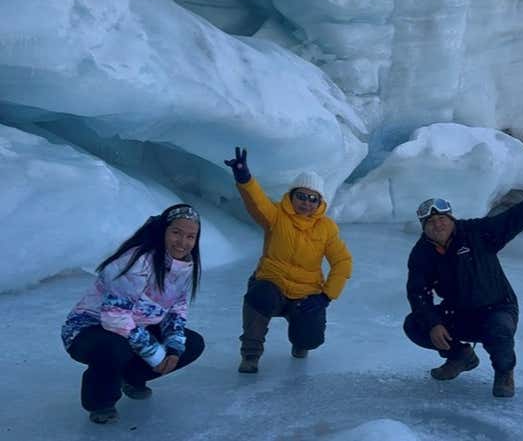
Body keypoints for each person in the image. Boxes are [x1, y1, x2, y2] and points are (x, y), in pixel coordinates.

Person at [403, 171, 523, 398]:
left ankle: (504, 373)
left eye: (442, 219)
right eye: (430, 222)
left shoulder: (476, 233)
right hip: (459, 313)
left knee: (499, 332)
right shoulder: (422, 254)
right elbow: (418, 293)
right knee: (415, 325)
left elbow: (514, 219)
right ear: (423, 227)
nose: (437, 225)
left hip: (497, 307)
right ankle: (460, 356)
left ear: (451, 219)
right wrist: (433, 324)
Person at [61, 204, 205, 424]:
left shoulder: (184, 267)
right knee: (114, 347)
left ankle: (131, 377)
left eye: (190, 236)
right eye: (176, 233)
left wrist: (173, 349)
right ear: (163, 231)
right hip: (89, 329)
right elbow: (114, 316)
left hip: (135, 329)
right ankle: (101, 403)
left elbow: (176, 311)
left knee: (192, 343)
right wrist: (155, 353)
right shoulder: (137, 260)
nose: (183, 242)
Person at [224, 147, 352, 373]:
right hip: (272, 283)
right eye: (301, 196)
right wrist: (245, 179)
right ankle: (251, 355)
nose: (306, 203)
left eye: (313, 199)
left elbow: (342, 261)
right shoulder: (276, 216)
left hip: (306, 292)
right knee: (259, 296)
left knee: (311, 339)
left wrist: (326, 296)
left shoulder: (326, 228)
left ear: (320, 202)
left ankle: (301, 343)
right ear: (292, 196)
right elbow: (257, 203)